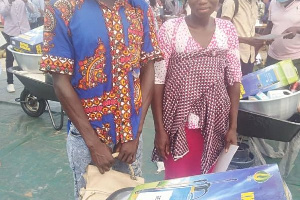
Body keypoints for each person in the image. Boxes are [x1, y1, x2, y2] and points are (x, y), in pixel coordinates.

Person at [40, 0, 163, 198]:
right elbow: (61, 82)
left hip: (131, 141)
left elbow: (148, 67)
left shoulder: (140, 7)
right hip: (88, 141)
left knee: (130, 195)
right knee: (92, 195)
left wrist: (135, 133)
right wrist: (93, 144)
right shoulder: (63, 8)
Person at [152, 0, 241, 179]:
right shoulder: (171, 29)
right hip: (178, 123)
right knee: (178, 181)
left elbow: (234, 79)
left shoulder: (227, 29)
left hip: (215, 121)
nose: (202, 1)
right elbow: (158, 80)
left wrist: (232, 126)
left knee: (207, 181)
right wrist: (160, 130)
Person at [221, 0, 266, 75]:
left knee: (246, 84)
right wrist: (246, 40)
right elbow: (222, 33)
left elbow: (248, 30)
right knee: (234, 85)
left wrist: (260, 37)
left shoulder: (254, 4)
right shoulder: (231, 2)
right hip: (235, 57)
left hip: (250, 57)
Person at [0, 0, 35, 93]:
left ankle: (29, 83)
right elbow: (3, 12)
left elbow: (33, 10)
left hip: (25, 31)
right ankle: (10, 82)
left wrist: (27, 2)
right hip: (11, 32)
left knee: (27, 58)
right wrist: (9, 2)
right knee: (10, 58)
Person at [263, 0, 300, 69]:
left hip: (294, 58)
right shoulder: (273, 3)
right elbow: (270, 25)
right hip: (272, 56)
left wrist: (296, 29)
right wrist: (264, 38)